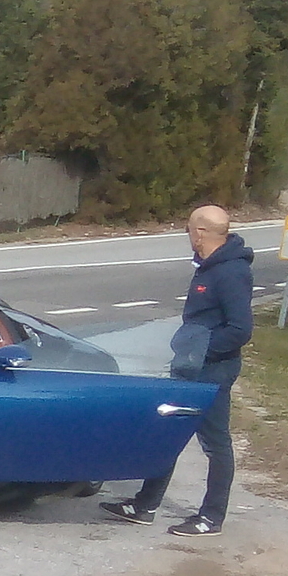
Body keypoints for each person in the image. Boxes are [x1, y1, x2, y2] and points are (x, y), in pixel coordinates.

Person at [102, 204, 251, 537]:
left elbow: (241, 329)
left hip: (212, 372)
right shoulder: (209, 267)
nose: (187, 235)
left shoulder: (230, 272)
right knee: (168, 432)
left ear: (200, 233)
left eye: (188, 229)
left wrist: (198, 351)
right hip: (189, 367)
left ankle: (212, 517)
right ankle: (145, 506)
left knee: (215, 443)